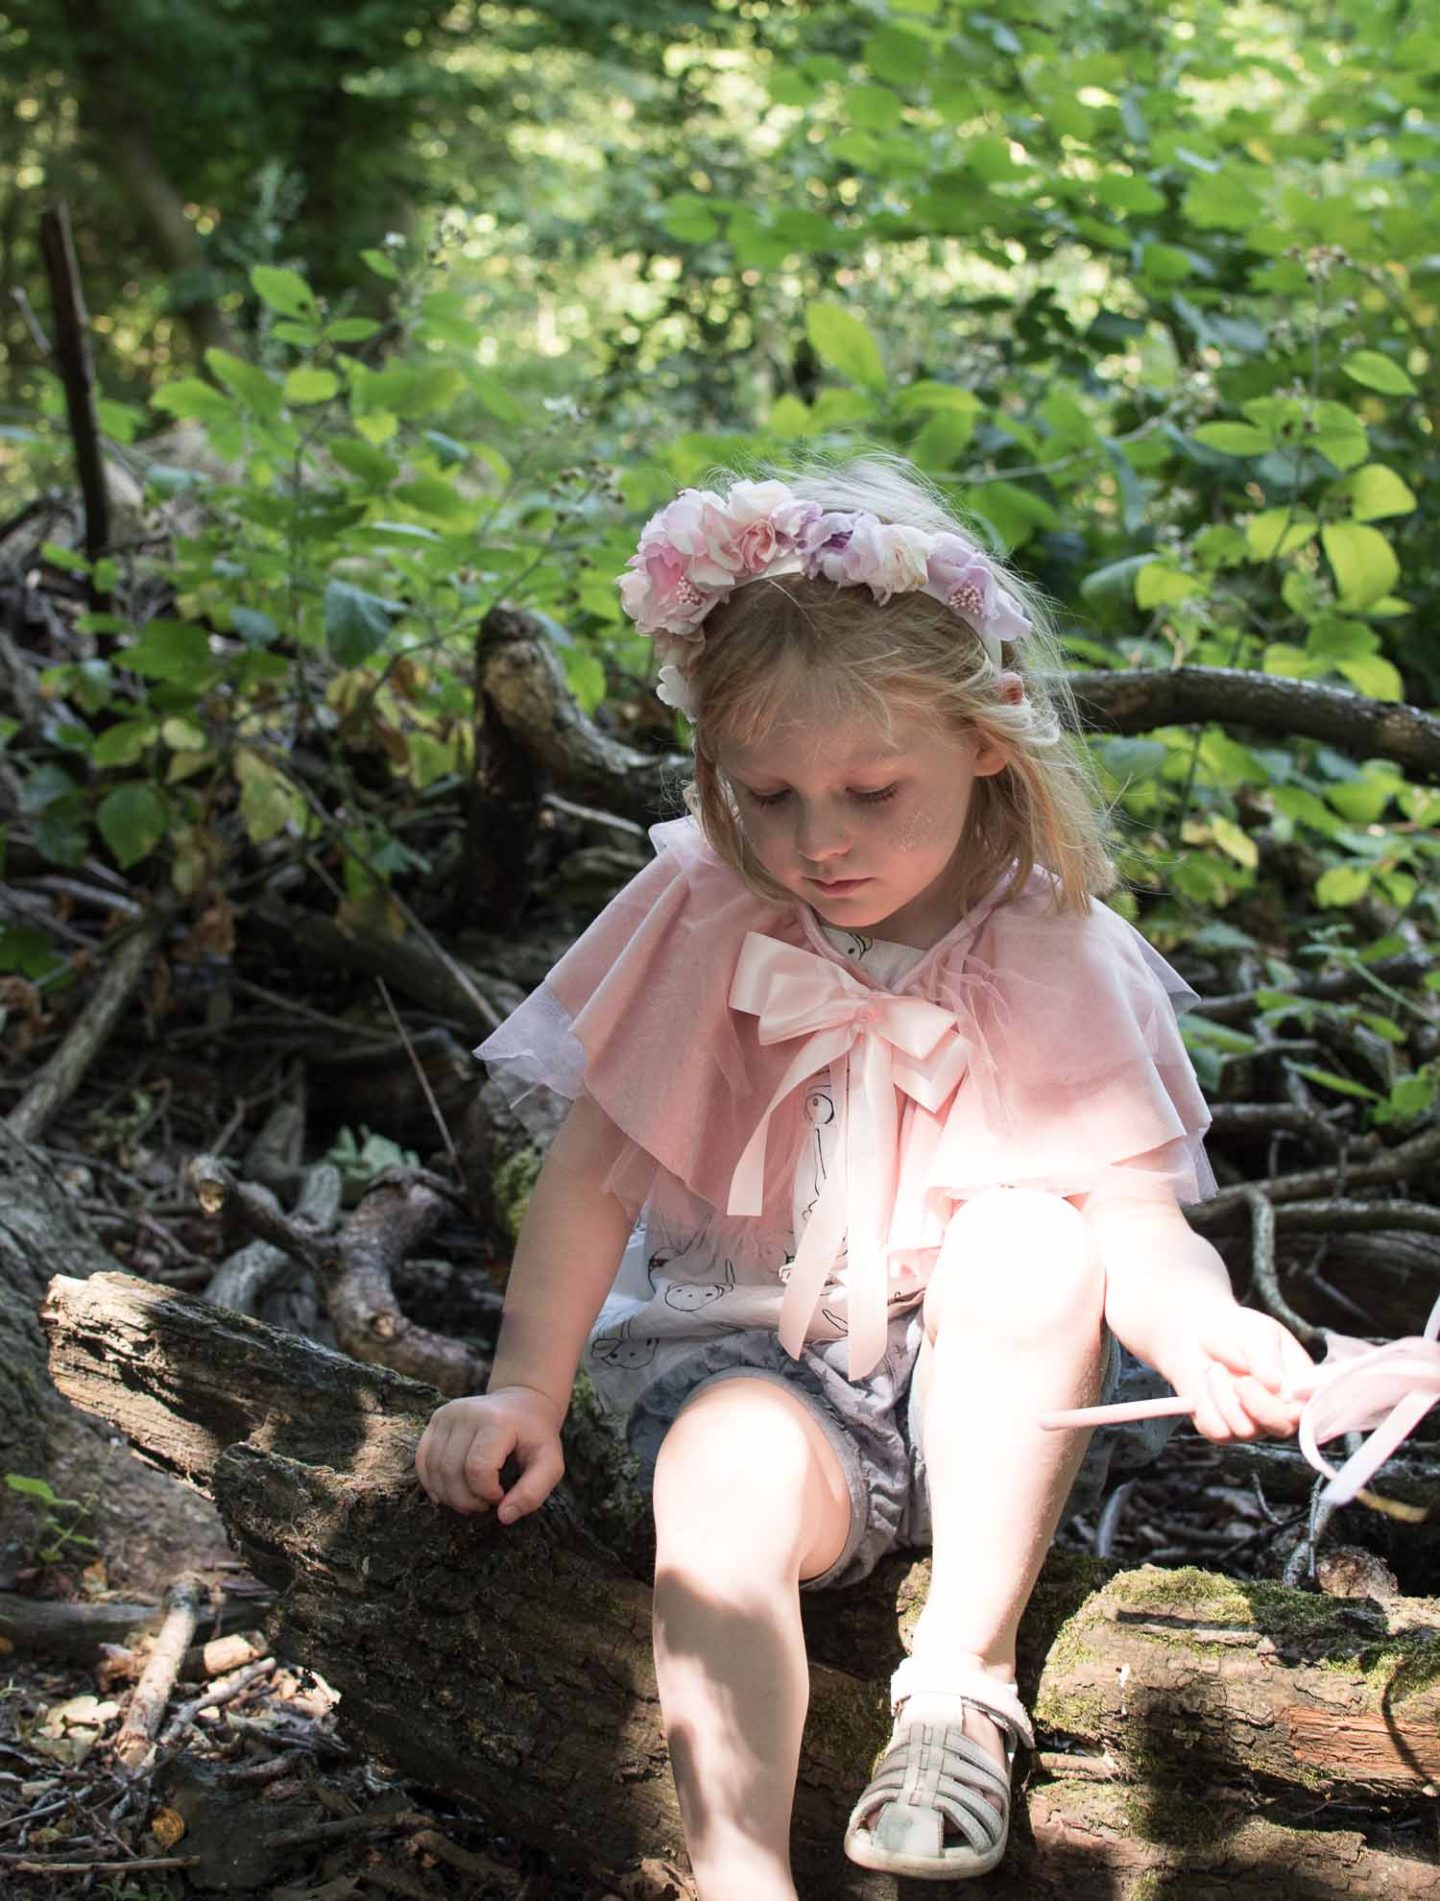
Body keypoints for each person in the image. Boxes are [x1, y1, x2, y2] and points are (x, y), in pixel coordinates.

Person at [415, 453, 1317, 1893]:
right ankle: (736, 1869)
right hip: (753, 1379)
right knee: (723, 1467)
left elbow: (1133, 1221)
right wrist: (524, 1382)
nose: (815, 841)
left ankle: (961, 1685)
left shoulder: (1054, 952)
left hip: (975, 1422)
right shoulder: (712, 911)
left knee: (1036, 1239)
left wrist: (1200, 1326)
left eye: (868, 790)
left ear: (985, 743)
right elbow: (592, 1171)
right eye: (764, 792)